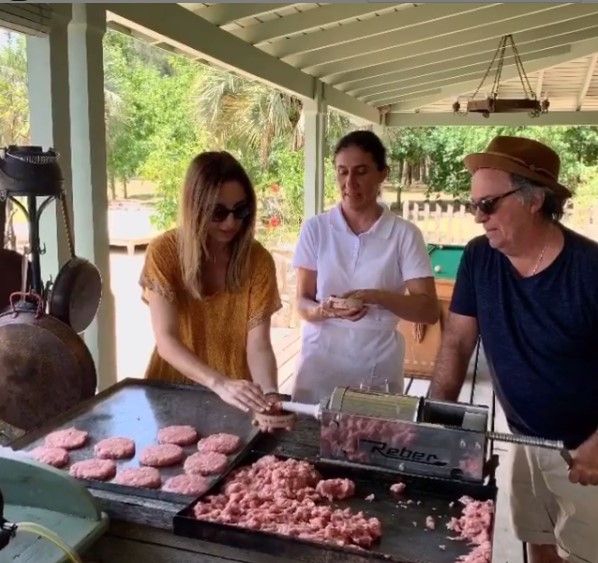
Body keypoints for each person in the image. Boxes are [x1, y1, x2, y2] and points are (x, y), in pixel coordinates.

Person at [429, 136, 598, 563]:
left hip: (587, 450)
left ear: (534, 199)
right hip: (521, 437)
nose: (477, 217)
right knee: (537, 543)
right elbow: (457, 341)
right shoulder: (478, 257)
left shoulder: (590, 270)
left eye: (488, 204)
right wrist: (435, 421)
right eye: (474, 205)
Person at [292, 130, 439, 404]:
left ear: (383, 173)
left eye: (361, 172)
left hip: (376, 361)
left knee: (373, 441)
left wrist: (375, 296)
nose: (350, 182)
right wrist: (322, 310)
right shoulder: (317, 229)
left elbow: (429, 310)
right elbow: (301, 302)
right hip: (319, 359)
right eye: (342, 171)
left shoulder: (403, 234)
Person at [139, 151, 282, 413]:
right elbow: (167, 340)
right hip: (172, 391)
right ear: (195, 208)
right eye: (218, 212)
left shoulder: (258, 260)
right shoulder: (164, 252)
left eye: (240, 211)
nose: (231, 222)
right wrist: (220, 383)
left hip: (236, 396)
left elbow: (259, 344)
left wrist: (270, 394)